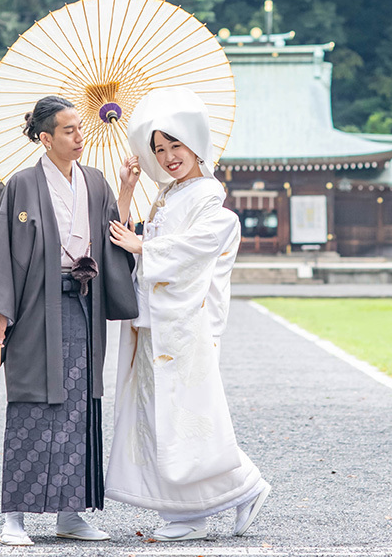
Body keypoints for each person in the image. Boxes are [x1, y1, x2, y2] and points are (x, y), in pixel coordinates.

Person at [106, 86, 270, 542]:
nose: (168, 156)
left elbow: (199, 245)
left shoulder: (207, 197)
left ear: (195, 143)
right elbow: (126, 240)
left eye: (175, 144)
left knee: (189, 415)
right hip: (154, 321)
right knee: (162, 414)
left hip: (182, 322)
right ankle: (188, 513)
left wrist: (148, 246)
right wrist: (127, 189)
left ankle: (239, 489)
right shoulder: (167, 195)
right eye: (159, 148)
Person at [0, 95, 139, 546]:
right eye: (68, 130)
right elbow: (4, 252)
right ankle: (14, 516)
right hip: (35, 307)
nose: (79, 136)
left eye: (80, 128)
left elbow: (112, 238)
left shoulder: (95, 180)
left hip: (82, 305)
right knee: (31, 402)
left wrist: (124, 188)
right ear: (45, 138)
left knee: (79, 403)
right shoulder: (23, 185)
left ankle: (71, 514)